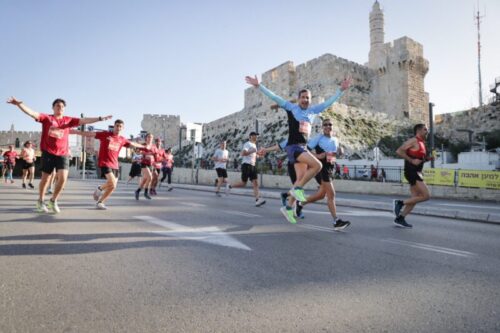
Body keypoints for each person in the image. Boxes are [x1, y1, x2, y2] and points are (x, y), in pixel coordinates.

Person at [245, 75, 351, 204]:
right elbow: (274, 97)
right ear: (298, 99)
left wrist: (340, 91)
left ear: (310, 100)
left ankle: (289, 206)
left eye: (307, 98)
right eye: (303, 97)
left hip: (302, 148)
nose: (305, 100)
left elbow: (328, 102)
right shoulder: (292, 107)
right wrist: (259, 86)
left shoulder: (313, 111)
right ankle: (294, 194)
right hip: (295, 149)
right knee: (317, 166)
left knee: (300, 179)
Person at [7, 96, 112, 213]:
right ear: (53, 108)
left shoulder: (68, 120)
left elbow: (84, 120)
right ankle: (41, 201)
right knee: (46, 179)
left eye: (62, 106)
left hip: (63, 154)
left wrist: (100, 118)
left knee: (62, 179)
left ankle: (53, 200)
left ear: (64, 109)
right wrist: (19, 104)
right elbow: (32, 113)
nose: (60, 108)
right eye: (57, 106)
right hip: (48, 152)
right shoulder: (47, 118)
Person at [70, 119, 144, 209]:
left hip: (115, 164)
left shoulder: (122, 139)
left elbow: (132, 144)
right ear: (114, 126)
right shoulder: (105, 134)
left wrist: (145, 146)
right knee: (112, 182)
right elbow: (90, 134)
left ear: (123, 128)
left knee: (113, 186)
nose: (118, 128)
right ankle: (99, 190)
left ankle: (100, 200)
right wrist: (75, 132)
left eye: (120, 126)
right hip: (105, 162)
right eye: (117, 126)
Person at [294, 119, 350, 230]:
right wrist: (317, 156)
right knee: (331, 195)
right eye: (325, 125)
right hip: (321, 168)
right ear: (322, 127)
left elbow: (333, 155)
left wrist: (340, 152)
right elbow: (305, 149)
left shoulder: (335, 139)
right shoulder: (318, 138)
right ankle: (336, 221)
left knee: (321, 195)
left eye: (330, 124)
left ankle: (300, 204)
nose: (328, 126)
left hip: (331, 167)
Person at [393, 124, 433, 228]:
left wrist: (428, 159)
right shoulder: (413, 140)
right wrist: (411, 160)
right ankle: (400, 203)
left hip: (417, 172)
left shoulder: (422, 143)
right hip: (411, 171)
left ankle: (400, 218)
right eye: (425, 130)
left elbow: (418, 159)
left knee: (415, 198)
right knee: (426, 196)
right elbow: (398, 151)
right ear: (419, 131)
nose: (427, 131)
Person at [228, 132, 266, 207]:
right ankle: (230, 186)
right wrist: (251, 151)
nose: (256, 137)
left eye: (256, 136)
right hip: (246, 165)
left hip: (253, 166)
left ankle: (257, 200)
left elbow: (254, 155)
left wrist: (259, 156)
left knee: (255, 183)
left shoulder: (254, 145)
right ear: (250, 136)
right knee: (243, 183)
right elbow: (243, 153)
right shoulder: (247, 144)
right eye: (254, 135)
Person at [135, 133, 157, 200]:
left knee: (145, 180)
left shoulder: (154, 146)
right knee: (150, 177)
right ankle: (145, 192)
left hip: (151, 164)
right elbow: (137, 152)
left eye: (151, 137)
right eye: (148, 137)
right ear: (146, 138)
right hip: (144, 163)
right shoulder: (143, 145)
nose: (150, 138)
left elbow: (155, 156)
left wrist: (155, 165)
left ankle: (137, 191)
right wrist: (144, 154)